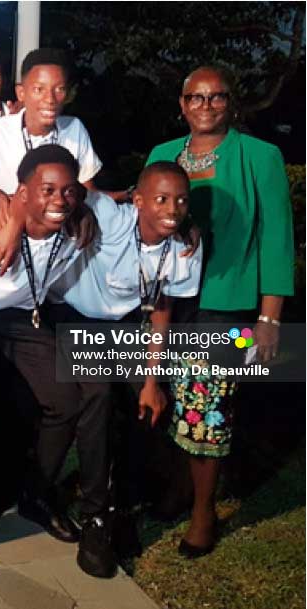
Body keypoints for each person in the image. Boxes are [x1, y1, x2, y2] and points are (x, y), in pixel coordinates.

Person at [146, 66, 294, 557]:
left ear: (231, 102)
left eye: (216, 97)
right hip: (167, 301)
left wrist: (269, 317)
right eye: (196, 97)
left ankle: (204, 510)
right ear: (182, 104)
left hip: (225, 304)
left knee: (206, 406)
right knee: (164, 389)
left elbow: (276, 237)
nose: (206, 106)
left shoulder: (261, 157)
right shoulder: (162, 155)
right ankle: (177, 485)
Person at [0, 145, 114, 576]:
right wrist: (6, 215)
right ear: (21, 191)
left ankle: (35, 493)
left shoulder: (75, 227)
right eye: (47, 190)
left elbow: (108, 208)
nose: (60, 200)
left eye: (69, 191)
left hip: (26, 319)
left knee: (64, 402)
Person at [51, 161, 203, 568]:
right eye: (161, 199)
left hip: (127, 328)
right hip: (76, 318)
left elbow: (162, 310)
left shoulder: (185, 246)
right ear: (137, 201)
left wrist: (152, 381)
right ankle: (95, 515)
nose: (173, 208)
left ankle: (124, 506)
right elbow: (77, 192)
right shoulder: (111, 218)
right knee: (96, 397)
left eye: (181, 200)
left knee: (149, 403)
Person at [0, 47, 101, 196]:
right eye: (39, 89)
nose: (50, 99)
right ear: (21, 93)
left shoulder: (74, 128)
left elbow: (88, 195)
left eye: (59, 89)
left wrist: (123, 195)